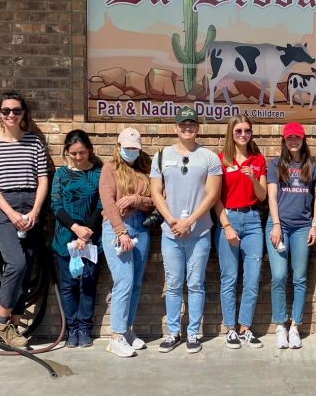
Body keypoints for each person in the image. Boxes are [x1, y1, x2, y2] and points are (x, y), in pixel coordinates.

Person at [0, 91, 49, 349]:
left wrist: (34, 212)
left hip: (31, 205)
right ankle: (1, 320)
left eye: (16, 110)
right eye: (6, 110)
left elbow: (43, 179)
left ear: (23, 113)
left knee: (27, 266)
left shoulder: (34, 142)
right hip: (2, 207)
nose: (11, 115)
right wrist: (11, 214)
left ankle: (14, 328)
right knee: (16, 263)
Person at [149, 106, 222, 354]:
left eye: (191, 123)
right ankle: (172, 332)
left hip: (199, 231)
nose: (187, 127)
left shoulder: (209, 158)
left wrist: (190, 220)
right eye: (182, 124)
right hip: (171, 233)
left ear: (198, 127)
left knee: (195, 284)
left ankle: (193, 333)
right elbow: (155, 192)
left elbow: (213, 195)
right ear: (176, 128)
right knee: (173, 283)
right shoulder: (161, 155)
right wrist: (171, 220)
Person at [99, 127, 154, 358]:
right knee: (123, 281)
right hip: (117, 228)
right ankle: (116, 336)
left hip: (141, 227)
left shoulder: (144, 168)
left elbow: (154, 201)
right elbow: (109, 203)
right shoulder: (110, 168)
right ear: (119, 147)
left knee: (135, 283)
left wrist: (137, 199)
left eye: (135, 148)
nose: (131, 151)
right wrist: (120, 232)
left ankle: (128, 330)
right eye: (128, 148)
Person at [266, 122, 316, 350]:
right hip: (279, 225)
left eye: (297, 137)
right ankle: (280, 325)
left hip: (301, 228)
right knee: (279, 276)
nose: (293, 141)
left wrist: (314, 225)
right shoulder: (276, 164)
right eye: (289, 138)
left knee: (299, 278)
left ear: (303, 138)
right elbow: (271, 196)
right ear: (284, 140)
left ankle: (295, 326)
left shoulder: (314, 165)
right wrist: (276, 224)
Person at [214, 115, 268, 349]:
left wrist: (254, 178)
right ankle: (230, 329)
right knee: (229, 277)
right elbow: (214, 198)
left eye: (247, 131)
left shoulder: (258, 160)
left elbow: (263, 195)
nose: (243, 135)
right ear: (231, 133)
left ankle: (245, 327)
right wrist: (226, 226)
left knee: (252, 277)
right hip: (229, 218)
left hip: (253, 220)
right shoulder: (220, 159)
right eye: (238, 131)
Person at [50, 130, 102, 348]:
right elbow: (56, 205)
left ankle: (84, 328)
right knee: (68, 286)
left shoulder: (99, 173)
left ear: (89, 150)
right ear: (67, 152)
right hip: (64, 238)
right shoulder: (61, 174)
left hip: (90, 239)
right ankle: (71, 329)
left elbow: (101, 205)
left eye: (82, 152)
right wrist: (75, 228)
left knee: (88, 285)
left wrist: (86, 231)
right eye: (73, 153)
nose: (78, 157)